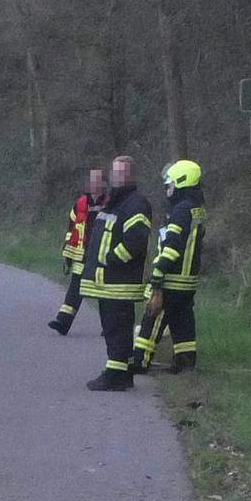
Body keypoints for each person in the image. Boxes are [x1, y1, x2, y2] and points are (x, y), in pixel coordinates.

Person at [76, 156, 153, 391]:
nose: (117, 176)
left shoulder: (135, 203)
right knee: (115, 328)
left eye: (122, 172)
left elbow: (136, 240)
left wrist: (111, 260)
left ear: (131, 175)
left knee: (115, 329)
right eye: (115, 172)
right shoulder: (115, 201)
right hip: (109, 281)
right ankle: (124, 372)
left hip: (119, 282)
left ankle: (114, 376)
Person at [133, 159, 207, 373]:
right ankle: (185, 363)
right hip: (187, 281)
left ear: (181, 182)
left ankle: (140, 361)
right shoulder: (196, 209)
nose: (167, 189)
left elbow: (172, 245)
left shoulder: (181, 210)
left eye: (170, 184)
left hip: (172, 279)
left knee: (153, 319)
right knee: (182, 321)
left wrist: (158, 273)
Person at [49, 168, 108, 334]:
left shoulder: (109, 203)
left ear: (103, 183)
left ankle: (108, 327)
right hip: (82, 253)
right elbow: (72, 229)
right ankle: (63, 322)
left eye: (97, 180)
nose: (94, 183)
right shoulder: (80, 204)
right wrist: (68, 254)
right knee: (75, 287)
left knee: (103, 291)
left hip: (101, 254)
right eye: (92, 180)